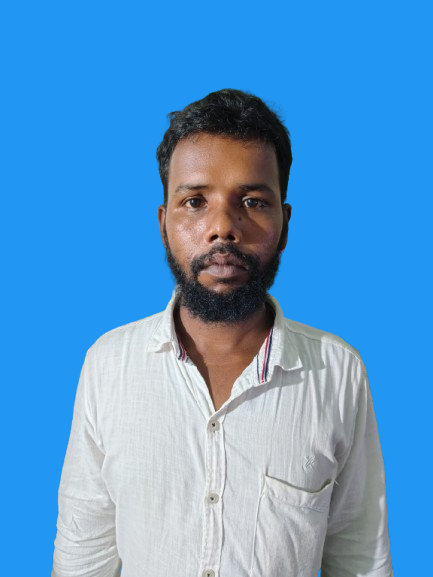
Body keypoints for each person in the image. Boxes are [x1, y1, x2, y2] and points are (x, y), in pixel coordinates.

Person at [52, 89, 393, 577]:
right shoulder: (109, 365)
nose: (222, 228)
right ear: (164, 223)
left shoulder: (337, 373)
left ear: (285, 223)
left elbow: (360, 562)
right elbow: (83, 558)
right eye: (194, 201)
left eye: (252, 201)